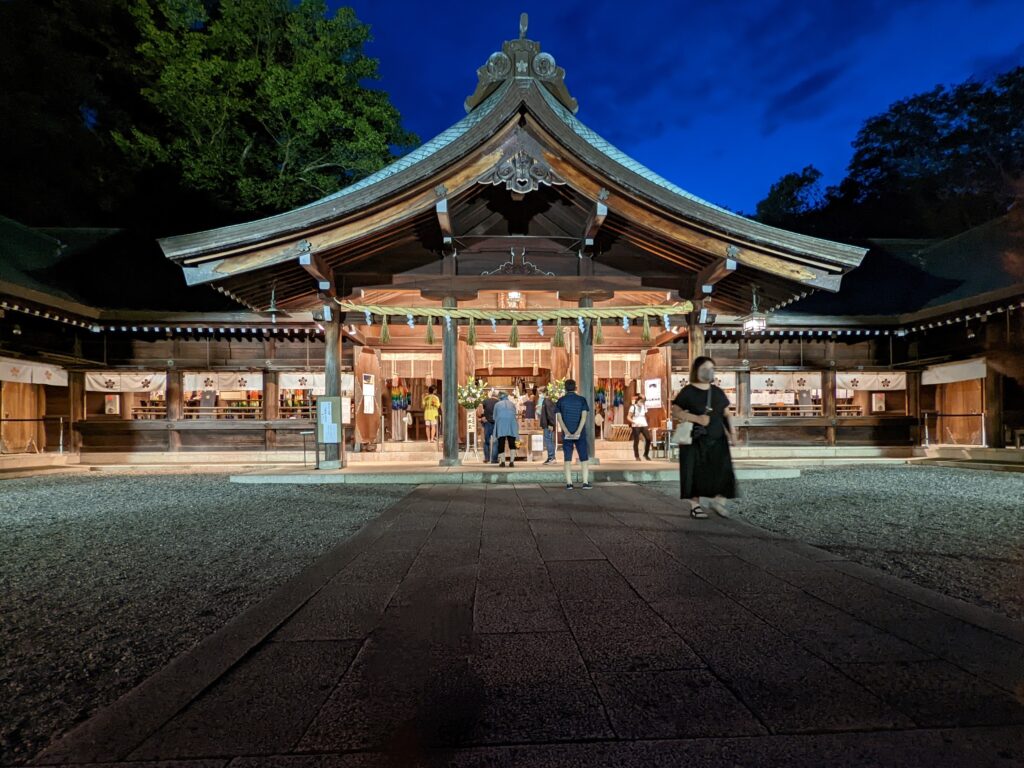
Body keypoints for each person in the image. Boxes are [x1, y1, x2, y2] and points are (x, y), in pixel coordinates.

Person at [671, 356, 737, 519]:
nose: (709, 371)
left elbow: (726, 414)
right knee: (695, 472)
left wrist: (733, 434)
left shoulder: (717, 391)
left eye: (712, 368)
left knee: (723, 471)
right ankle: (695, 506)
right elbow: (676, 411)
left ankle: (718, 502)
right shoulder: (688, 391)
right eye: (705, 368)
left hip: (717, 439)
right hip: (695, 439)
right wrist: (696, 418)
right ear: (697, 370)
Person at [555, 379, 592, 490]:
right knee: (584, 458)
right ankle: (585, 482)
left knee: (567, 458)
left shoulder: (561, 401)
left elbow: (559, 417)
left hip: (567, 433)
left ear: (565, 388)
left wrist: (566, 430)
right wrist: (578, 431)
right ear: (575, 388)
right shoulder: (582, 400)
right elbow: (584, 416)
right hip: (580, 433)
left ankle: (569, 483)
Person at [493, 391, 520, 468]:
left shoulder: (497, 404)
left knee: (501, 443)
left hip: (501, 425)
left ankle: (503, 462)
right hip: (512, 424)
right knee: (512, 443)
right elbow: (515, 414)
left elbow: (494, 417)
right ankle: (511, 462)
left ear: (499, 397)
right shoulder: (512, 404)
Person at [627, 393, 652, 461]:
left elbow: (645, 415)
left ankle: (646, 454)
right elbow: (628, 417)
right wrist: (634, 422)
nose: (642, 403)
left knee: (648, 439)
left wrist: (647, 423)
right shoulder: (633, 407)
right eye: (641, 401)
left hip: (643, 424)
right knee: (636, 440)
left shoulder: (644, 406)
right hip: (636, 425)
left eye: (644, 401)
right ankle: (637, 456)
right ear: (638, 400)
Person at [478, 388, 499, 463]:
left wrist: (481, 417)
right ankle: (494, 459)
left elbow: (480, 411)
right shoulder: (499, 402)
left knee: (486, 441)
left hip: (487, 423)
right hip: (496, 424)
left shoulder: (485, 401)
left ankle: (486, 458)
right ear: (497, 396)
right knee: (496, 441)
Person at [538, 384, 558, 464]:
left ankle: (551, 458)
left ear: (544, 392)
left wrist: (551, 424)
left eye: (540, 392)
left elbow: (550, 414)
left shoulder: (547, 401)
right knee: (548, 440)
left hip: (548, 424)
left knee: (548, 440)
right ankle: (551, 457)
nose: (539, 394)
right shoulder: (546, 401)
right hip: (546, 424)